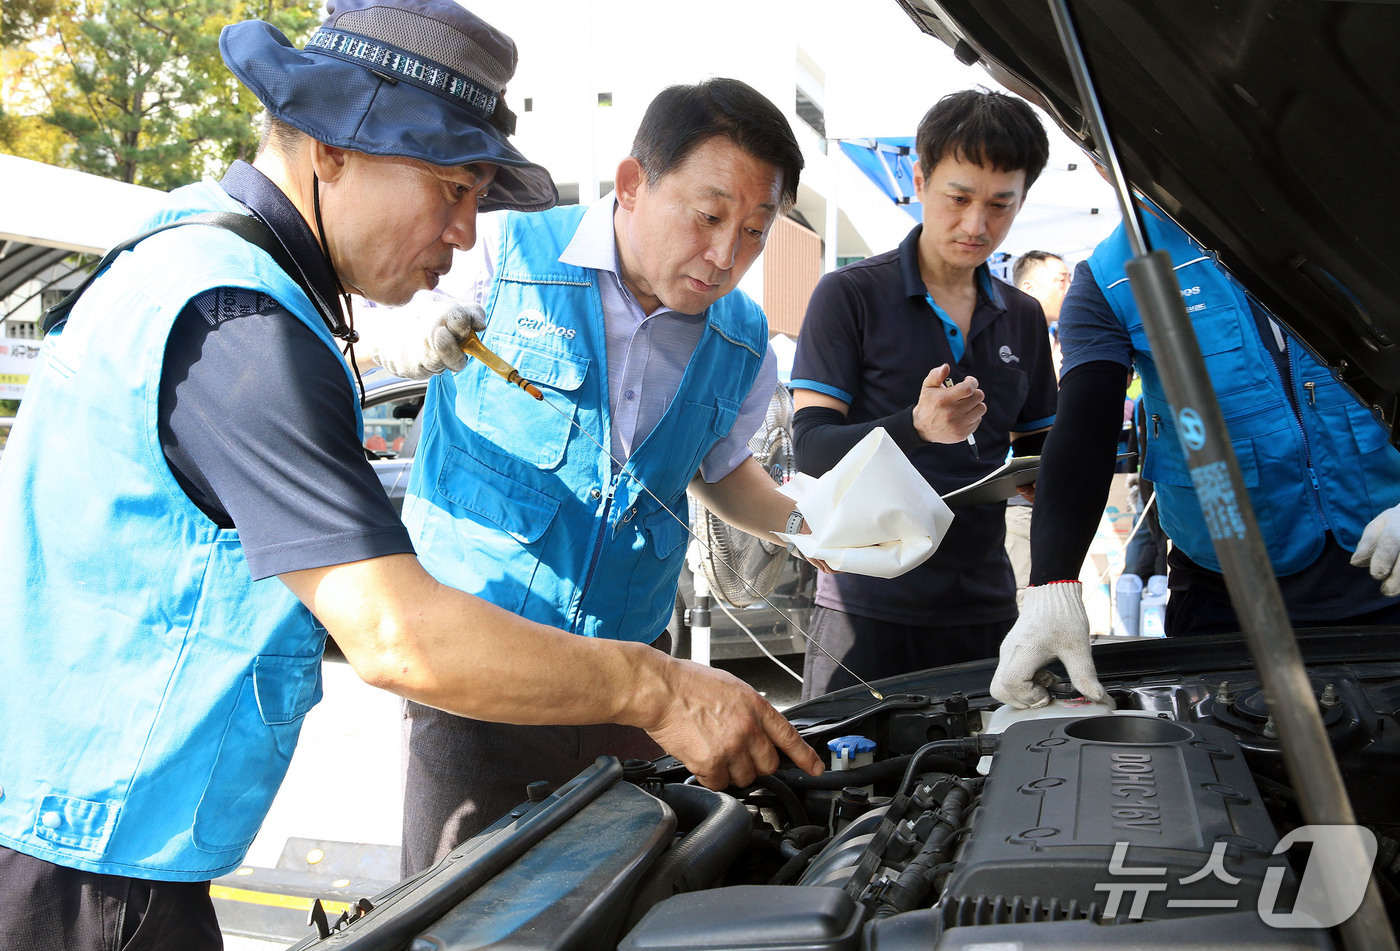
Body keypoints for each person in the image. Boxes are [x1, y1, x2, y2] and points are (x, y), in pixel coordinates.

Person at [0, 5, 821, 948]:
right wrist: (668, 689)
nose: (468, 235)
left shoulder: (195, 259)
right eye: (449, 188)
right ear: (332, 150)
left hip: (99, 832)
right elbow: (395, 634)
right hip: (86, 859)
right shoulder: (241, 328)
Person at [369, 77, 822, 872]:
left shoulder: (746, 341)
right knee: (457, 904)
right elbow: (379, 304)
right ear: (632, 183)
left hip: (634, 675)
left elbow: (717, 472)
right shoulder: (500, 252)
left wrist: (809, 525)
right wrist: (398, 328)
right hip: (482, 668)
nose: (726, 257)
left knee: (611, 896)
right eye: (710, 217)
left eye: (755, 231)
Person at [991, 201, 1400, 709]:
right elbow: (1086, 426)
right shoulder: (1108, 278)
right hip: (1226, 605)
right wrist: (1051, 583)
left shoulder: (1360, 213)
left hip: (1389, 572)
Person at [789, 88, 1058, 700]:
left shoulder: (1021, 316)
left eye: (1000, 205)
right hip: (868, 607)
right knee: (846, 790)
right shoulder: (849, 295)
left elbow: (1042, 447)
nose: (976, 225)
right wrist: (912, 426)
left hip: (987, 608)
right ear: (919, 178)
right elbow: (810, 449)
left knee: (994, 785)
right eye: (958, 198)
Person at [1004, 249, 1072, 597]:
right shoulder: (1009, 338)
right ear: (1029, 286)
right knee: (1027, 598)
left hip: (1050, 489)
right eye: (1061, 280)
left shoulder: (1058, 338)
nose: (1069, 288)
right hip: (1017, 496)